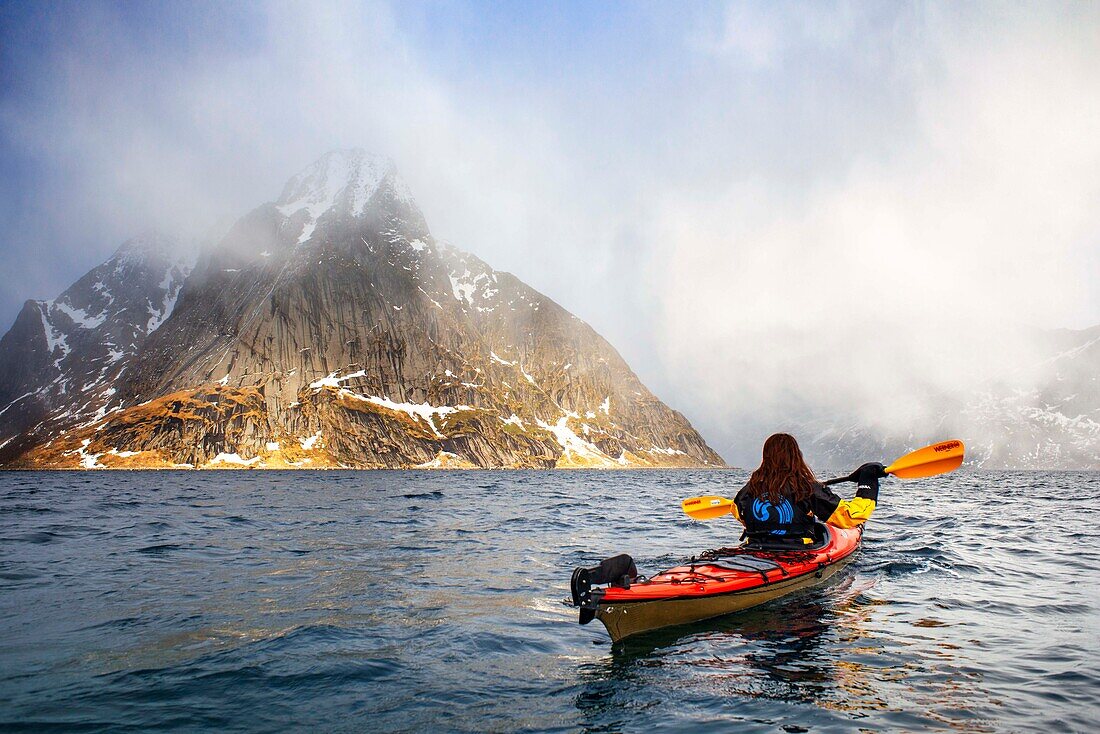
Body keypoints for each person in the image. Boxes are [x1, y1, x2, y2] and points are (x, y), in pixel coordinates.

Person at [733, 433, 885, 546]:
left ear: (765, 457)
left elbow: (737, 511)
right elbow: (848, 517)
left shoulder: (749, 488)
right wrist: (868, 484)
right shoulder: (806, 488)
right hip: (797, 552)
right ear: (795, 457)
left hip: (755, 549)